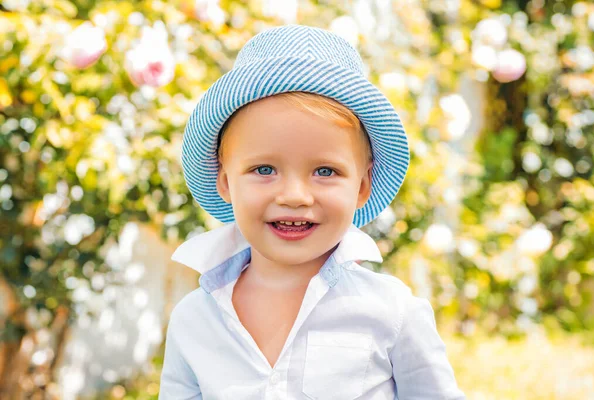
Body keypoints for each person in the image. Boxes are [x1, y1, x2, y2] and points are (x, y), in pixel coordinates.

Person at [159, 24, 466, 400]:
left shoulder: (392, 312)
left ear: (362, 186)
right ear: (225, 181)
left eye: (325, 171)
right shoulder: (194, 320)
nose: (294, 196)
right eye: (264, 170)